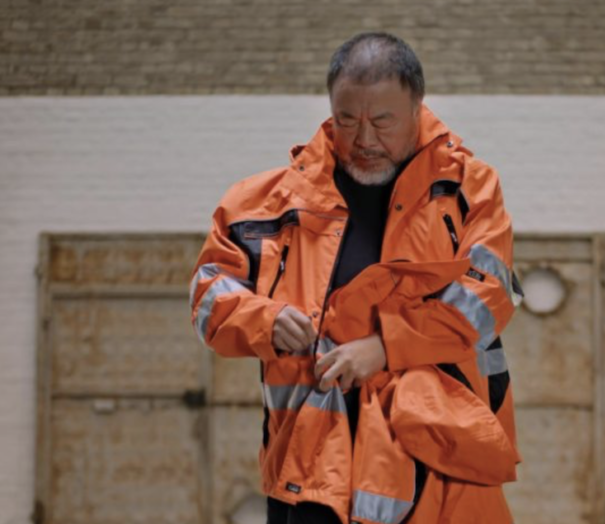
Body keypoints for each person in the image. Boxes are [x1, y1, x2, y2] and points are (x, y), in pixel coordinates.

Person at [189, 31, 524, 524]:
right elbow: (207, 294)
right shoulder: (265, 206)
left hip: (438, 466)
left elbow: (486, 298)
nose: (365, 139)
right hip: (309, 473)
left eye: (382, 121)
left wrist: (386, 347)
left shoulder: (467, 192)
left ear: (418, 109)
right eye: (347, 120)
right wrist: (264, 320)